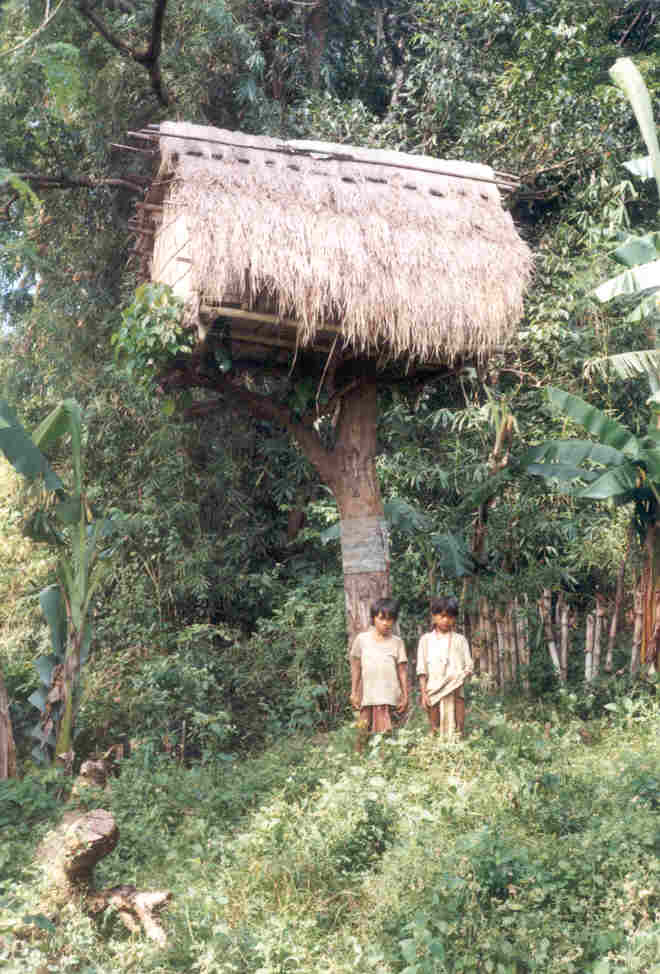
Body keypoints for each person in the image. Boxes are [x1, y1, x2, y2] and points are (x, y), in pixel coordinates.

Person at [350, 597, 408, 750]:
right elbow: (356, 667)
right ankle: (358, 757)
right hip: (368, 694)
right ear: (373, 618)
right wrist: (354, 692)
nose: (386, 623)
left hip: (389, 694)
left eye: (390, 619)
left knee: (388, 732)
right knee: (363, 729)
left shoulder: (397, 642)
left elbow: (402, 670)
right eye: (381, 618)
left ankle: (386, 759)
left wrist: (405, 694)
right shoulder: (362, 640)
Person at [417, 596, 473, 737]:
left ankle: (457, 750)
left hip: (455, 689)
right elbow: (422, 669)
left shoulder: (460, 640)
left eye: (451, 616)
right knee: (434, 728)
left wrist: (459, 677)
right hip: (433, 689)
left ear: (455, 618)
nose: (446, 620)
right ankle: (435, 752)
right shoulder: (426, 640)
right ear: (434, 617)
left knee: (458, 727)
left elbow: (469, 665)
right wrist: (424, 693)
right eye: (442, 616)